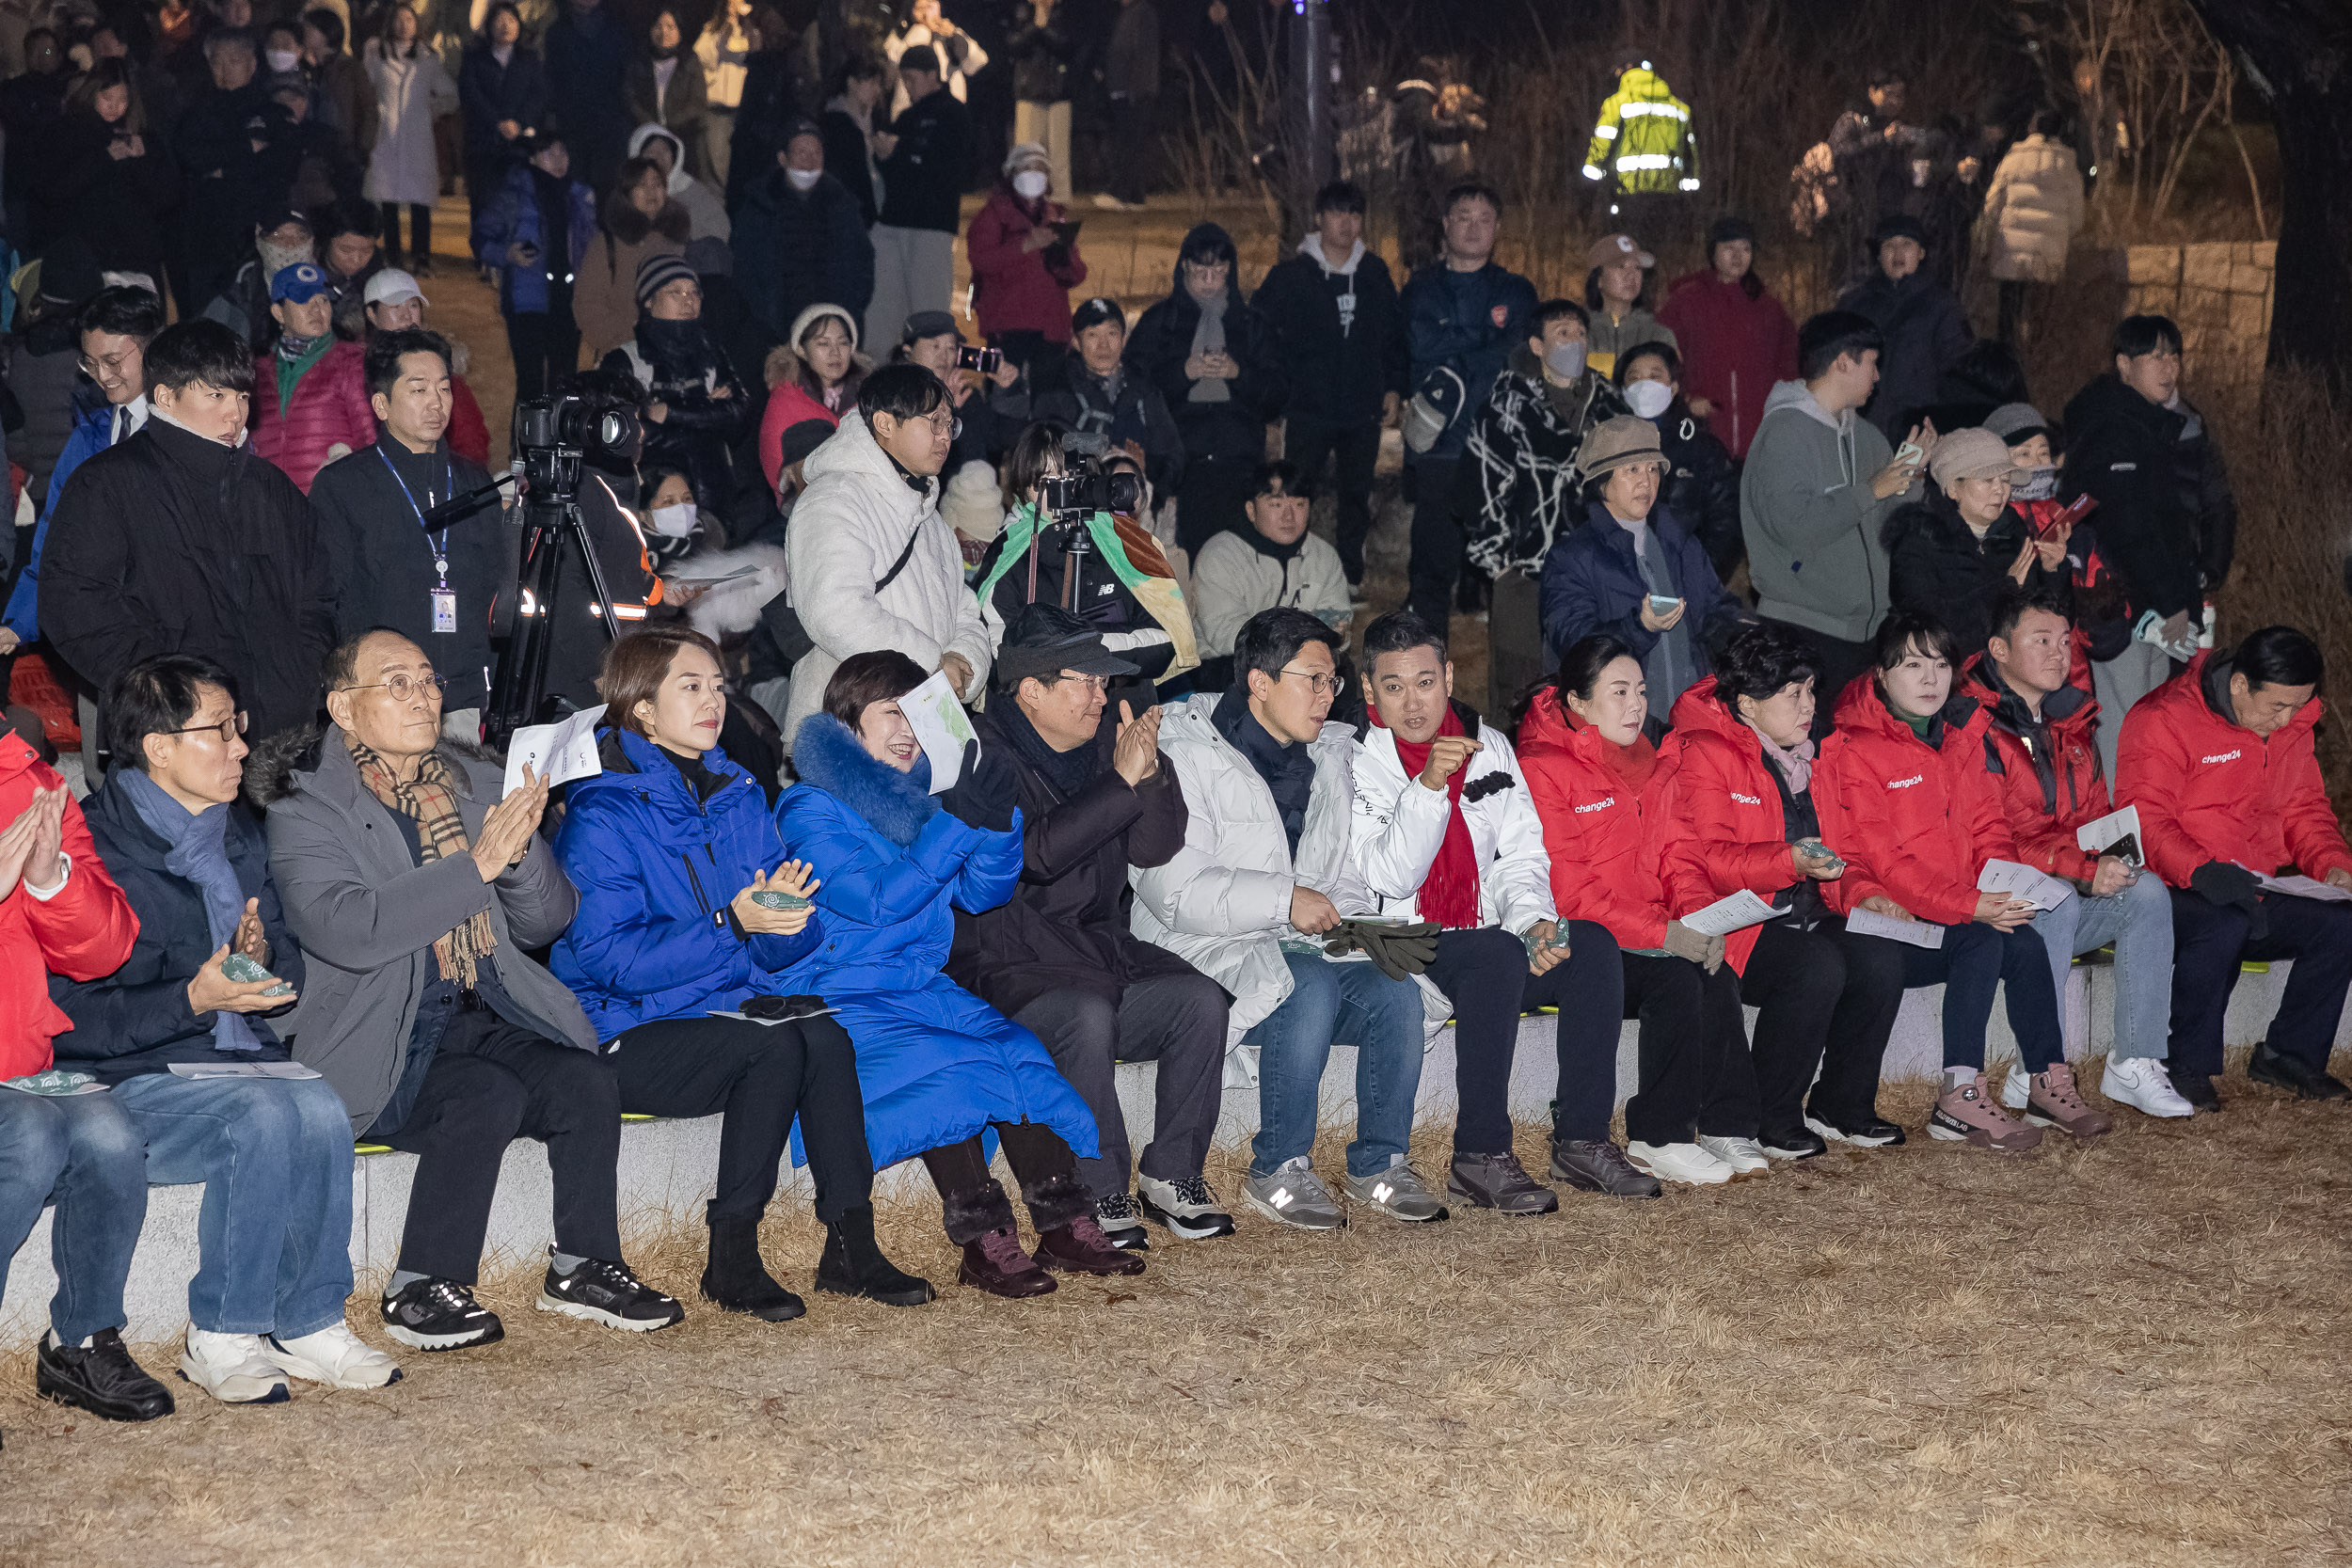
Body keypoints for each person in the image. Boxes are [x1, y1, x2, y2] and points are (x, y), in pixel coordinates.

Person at [257, 628, 683, 1350]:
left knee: (583, 1078)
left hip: (483, 1006)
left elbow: (551, 920)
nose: (423, 696)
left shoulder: (475, 782)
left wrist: (517, 856)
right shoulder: (304, 807)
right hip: (379, 1030)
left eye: (428, 680)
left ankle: (583, 1267)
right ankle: (419, 1286)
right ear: (343, 707)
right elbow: (350, 931)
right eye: (397, 683)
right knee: (485, 1094)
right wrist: (477, 865)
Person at [548, 626, 930, 1316]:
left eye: (718, 686)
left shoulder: (736, 791)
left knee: (823, 1031)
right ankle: (731, 1254)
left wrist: (787, 914)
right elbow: (611, 961)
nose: (712, 700)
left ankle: (851, 1245)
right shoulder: (603, 812)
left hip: (721, 1009)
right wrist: (732, 923)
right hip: (625, 1028)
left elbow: (781, 947)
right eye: (689, 686)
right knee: (776, 1042)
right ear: (640, 708)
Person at [56, 656, 401, 1402]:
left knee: (316, 1101)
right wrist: (193, 999)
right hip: (126, 1079)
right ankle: (220, 1332)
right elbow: (71, 1019)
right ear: (158, 748)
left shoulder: (237, 835)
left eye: (238, 726)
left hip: (229, 1060)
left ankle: (308, 1320)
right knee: (264, 1110)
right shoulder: (89, 848)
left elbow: (286, 967)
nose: (243, 746)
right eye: (221, 730)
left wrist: (259, 966)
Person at [781, 649, 1137, 1296]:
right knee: (946, 1064)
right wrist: (955, 821)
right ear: (847, 724)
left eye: (919, 714)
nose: (908, 730)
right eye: (891, 712)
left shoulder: (926, 800)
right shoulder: (811, 807)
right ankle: (983, 1237)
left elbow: (984, 891)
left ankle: (1062, 1220)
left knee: (1017, 1050)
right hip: (842, 993)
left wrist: (998, 822)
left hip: (918, 986)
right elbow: (879, 899)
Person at [1131, 606, 1440, 1227]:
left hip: (1287, 949)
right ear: (1261, 681)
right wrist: (1283, 900)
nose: (1328, 695)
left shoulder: (1328, 756)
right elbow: (1169, 889)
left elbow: (1337, 883)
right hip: (1192, 951)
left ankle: (1379, 1163)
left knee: (1394, 990)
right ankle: (1278, 1166)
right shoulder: (1185, 753)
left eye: (1334, 682)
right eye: (1313, 678)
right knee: (1308, 983)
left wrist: (1361, 930)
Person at [945, 606, 1232, 1245]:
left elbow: (1155, 847)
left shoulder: (1111, 742)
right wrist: (1122, 781)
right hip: (1011, 968)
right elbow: (1034, 857)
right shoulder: (978, 754)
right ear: (1030, 690)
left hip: (1100, 953)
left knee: (1200, 1001)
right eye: (1086, 680)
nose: (1103, 694)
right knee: (1085, 1014)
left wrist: (1150, 774)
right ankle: (1096, 1191)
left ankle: (1173, 1173)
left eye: (1106, 681)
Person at [1351, 611, 1654, 1206]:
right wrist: (1429, 789)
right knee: (1492, 956)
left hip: (1487, 940)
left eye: (1425, 682)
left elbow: (1520, 856)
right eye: (1393, 687)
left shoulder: (1488, 746)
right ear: (1368, 690)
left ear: (1449, 674)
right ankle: (1480, 1154)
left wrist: (1534, 921)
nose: (1413, 704)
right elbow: (1389, 874)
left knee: (1589, 943)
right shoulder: (1357, 758)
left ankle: (1583, 1140)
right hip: (1404, 941)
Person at [1810, 611, 2084, 1150]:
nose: (1931, 678)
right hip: (1887, 915)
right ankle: (1958, 1095)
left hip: (1951, 911)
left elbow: (1989, 828)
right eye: (1912, 665)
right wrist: (1972, 904)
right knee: (1983, 938)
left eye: (1940, 665)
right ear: (1882, 675)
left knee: (2023, 941)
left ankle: (2045, 1078)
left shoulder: (1961, 736)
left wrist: (2004, 884)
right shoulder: (1853, 748)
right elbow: (1886, 863)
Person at [1657, 624, 1912, 1151]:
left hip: (1804, 911)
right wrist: (1788, 861)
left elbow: (1842, 850)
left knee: (1881, 954)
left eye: (1812, 689)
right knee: (1814, 965)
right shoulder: (1704, 752)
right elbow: (1707, 860)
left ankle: (1841, 1103)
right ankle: (1771, 1115)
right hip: (1736, 921)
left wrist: (1866, 893)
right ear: (1748, 705)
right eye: (1793, 694)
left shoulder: (1810, 757)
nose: (1809, 705)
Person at [1517, 633, 1758, 1183]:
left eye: (1641, 691)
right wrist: (1667, 934)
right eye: (1618, 691)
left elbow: (1680, 859)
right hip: (1584, 942)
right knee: (1676, 977)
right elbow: (1570, 892)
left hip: (1646, 932)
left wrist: (1699, 919)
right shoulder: (1543, 767)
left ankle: (1726, 1125)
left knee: (1716, 971)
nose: (1635, 704)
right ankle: (1660, 1135)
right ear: (1577, 703)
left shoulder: (1653, 762)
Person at [41, 320, 332, 743]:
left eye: (242, 396)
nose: (234, 413)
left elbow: (319, 595)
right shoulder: (107, 483)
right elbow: (74, 603)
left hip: (280, 739)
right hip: (172, 736)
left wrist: (301, 678)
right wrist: (166, 692)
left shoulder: (271, 487)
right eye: (215, 395)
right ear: (165, 397)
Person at [0, 724, 173, 1431]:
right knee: (35, 1132)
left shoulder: (31, 778)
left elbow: (105, 949)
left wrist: (49, 880)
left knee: (105, 1123)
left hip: (20, 1062)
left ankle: (81, 1340)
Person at [1964, 586, 2192, 1118]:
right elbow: (1988, 839)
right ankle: (2039, 1067)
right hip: (1989, 897)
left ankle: (2134, 1061)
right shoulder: (1973, 726)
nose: (2058, 653)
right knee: (2058, 899)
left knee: (2147, 890)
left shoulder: (2072, 722)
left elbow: (2088, 820)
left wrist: (2110, 858)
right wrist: (2079, 869)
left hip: (2057, 882)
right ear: (1999, 649)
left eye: (2065, 641)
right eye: (2040, 640)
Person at [2117, 626, 2352, 1106]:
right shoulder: (2164, 718)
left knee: (2342, 922)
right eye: (2278, 707)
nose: (2287, 719)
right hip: (2172, 886)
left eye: (2298, 706)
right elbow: (2145, 818)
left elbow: (2305, 811)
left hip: (2254, 882)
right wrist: (2202, 870)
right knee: (2224, 919)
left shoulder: (2290, 725)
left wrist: (2333, 868)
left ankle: (2290, 1056)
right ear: (2241, 684)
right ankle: (2184, 1064)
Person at [1740, 309, 1931, 737]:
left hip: (1865, 634)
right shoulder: (1785, 432)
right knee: (1806, 759)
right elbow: (1795, 528)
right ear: (1843, 361)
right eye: (1872, 361)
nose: (1878, 376)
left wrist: (1912, 477)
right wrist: (1871, 490)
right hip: (1803, 629)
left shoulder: (1865, 435)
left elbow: (1888, 520)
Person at [2059, 314, 2236, 776]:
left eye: (2174, 355)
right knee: (2125, 729)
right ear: (2123, 364)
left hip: (2152, 607)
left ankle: (2141, 832)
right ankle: (2123, 839)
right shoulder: (2117, 430)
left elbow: (2189, 516)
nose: (2169, 367)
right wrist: (2173, 602)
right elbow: (2129, 531)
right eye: (2154, 356)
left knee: (2149, 729)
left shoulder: (2147, 425)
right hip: (2129, 611)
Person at [780, 364, 991, 744]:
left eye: (950, 424)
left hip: (928, 725)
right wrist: (932, 663)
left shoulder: (931, 519)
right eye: (933, 422)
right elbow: (835, 611)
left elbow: (964, 609)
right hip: (849, 730)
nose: (945, 436)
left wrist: (964, 663)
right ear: (885, 423)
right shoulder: (833, 499)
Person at [309, 328, 505, 734]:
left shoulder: (475, 482)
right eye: (418, 390)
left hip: (465, 697)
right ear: (381, 404)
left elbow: (495, 588)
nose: (436, 403)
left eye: (444, 389)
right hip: (386, 697)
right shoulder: (344, 486)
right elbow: (336, 600)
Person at [1460, 298, 1628, 714]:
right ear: (1537, 345)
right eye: (1562, 333)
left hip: (1596, 567)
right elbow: (1480, 485)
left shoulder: (1609, 405)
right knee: (1521, 683)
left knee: (1592, 676)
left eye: (1581, 333)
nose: (1575, 342)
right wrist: (1499, 562)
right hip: (1525, 573)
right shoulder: (1507, 406)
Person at [1251, 180, 1406, 591]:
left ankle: (1350, 575)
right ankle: (1288, 570)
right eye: (1337, 213)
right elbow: (1260, 332)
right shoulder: (1291, 276)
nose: (1346, 223)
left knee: (1356, 494)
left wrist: (1392, 387)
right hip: (1308, 408)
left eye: (1354, 214)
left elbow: (1393, 336)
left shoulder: (1374, 273)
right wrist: (1277, 390)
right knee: (1295, 491)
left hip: (1362, 409)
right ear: (1319, 219)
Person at [1399, 182, 1536, 627]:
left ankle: (1516, 680)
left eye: (1484, 219)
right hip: (1437, 444)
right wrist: (1484, 345)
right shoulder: (1421, 287)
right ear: (1445, 224)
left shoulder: (1515, 290)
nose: (1474, 228)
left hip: (1499, 444)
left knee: (1507, 569)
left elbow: (1517, 354)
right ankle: (1427, 676)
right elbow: (1419, 346)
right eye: (1463, 217)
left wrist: (1454, 352)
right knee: (1431, 569)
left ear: (1497, 228)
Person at [1540, 417, 1744, 714]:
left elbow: (1715, 608)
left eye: (1653, 469)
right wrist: (1640, 627)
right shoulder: (1572, 558)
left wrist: (1741, 631)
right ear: (1602, 481)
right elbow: (1574, 643)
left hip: (1690, 718)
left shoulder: (1680, 542)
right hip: (1620, 725)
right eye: (1631, 470)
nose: (1646, 481)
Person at [973, 423, 1198, 686]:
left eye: (1068, 477)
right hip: (1042, 716)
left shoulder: (1123, 541)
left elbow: (1164, 639)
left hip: (1122, 710)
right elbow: (1000, 657)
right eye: (1046, 481)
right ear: (1023, 489)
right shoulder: (1006, 555)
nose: (1061, 491)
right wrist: (1094, 648)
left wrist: (1071, 648)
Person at [8, 288, 165, 653]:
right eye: (90, 364)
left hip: (167, 635)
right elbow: (54, 537)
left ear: (153, 349)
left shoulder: (180, 431)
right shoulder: (87, 436)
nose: (102, 376)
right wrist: (20, 622)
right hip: (99, 635)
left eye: (113, 361)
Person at [1126, 223, 1285, 558]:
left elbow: (1278, 395)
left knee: (1241, 559)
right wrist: (1182, 373)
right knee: (1186, 561)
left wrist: (1237, 374)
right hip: (1181, 466)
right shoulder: (1161, 322)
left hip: (1240, 461)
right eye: (1201, 271)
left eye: (1218, 270)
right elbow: (1133, 391)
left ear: (1231, 270)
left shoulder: (1251, 324)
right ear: (1184, 266)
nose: (1210, 280)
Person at [1883, 427, 2067, 658]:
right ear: (1952, 488)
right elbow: (1934, 635)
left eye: (2006, 479)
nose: (2000, 490)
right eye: (1987, 479)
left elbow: (2050, 626)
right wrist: (2005, 590)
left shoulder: (2015, 536)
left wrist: (2051, 571)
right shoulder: (1918, 544)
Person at [599, 254, 752, 515]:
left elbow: (739, 414)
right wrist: (707, 414)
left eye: (694, 292)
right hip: (653, 506)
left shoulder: (713, 355)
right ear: (648, 300)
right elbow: (627, 434)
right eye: (676, 292)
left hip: (717, 502)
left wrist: (669, 412)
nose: (689, 300)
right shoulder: (624, 360)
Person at [171, 29, 298, 319]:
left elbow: (281, 167)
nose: (225, 69)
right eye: (217, 61)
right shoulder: (195, 113)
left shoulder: (272, 113)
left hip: (256, 235)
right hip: (207, 237)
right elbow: (190, 157)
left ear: (252, 65)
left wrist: (221, 168)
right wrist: (244, 149)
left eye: (234, 60)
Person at [1189, 462, 1351, 682]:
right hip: (1232, 665)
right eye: (1276, 504)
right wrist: (1294, 650)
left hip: (1306, 665)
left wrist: (1304, 654)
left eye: (1300, 504)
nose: (1289, 516)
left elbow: (1337, 622)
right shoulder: (1220, 555)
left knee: (1343, 672)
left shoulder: (1324, 556)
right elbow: (1227, 633)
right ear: (1251, 510)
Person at [1656, 215, 1799, 462]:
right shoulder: (1686, 302)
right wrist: (1685, 398)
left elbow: (1789, 364)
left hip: (1759, 438)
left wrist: (1784, 410)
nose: (1738, 256)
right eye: (1729, 248)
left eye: (1746, 248)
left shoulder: (1768, 307)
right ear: (1713, 252)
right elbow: (1660, 356)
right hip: (1703, 433)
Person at [470, 129, 595, 405]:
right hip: (527, 301)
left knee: (565, 383)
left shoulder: (580, 196)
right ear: (534, 158)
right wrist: (507, 254)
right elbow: (480, 238)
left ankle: (559, 445)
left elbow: (593, 245)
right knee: (531, 385)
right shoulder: (513, 194)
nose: (559, 159)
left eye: (563, 152)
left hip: (569, 301)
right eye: (550, 153)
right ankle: (527, 448)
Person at [34, 59, 179, 293]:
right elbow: (52, 189)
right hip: (88, 251)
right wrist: (104, 159)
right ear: (92, 94)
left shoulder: (143, 136)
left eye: (122, 100)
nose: (115, 107)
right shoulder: (67, 132)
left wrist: (143, 161)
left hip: (136, 253)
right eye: (107, 98)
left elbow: (168, 197)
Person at [864, 45, 972, 353]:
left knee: (928, 311)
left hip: (931, 226)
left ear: (931, 75)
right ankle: (879, 379)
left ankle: (931, 383)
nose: (907, 87)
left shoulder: (954, 113)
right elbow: (896, 174)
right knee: (884, 308)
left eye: (912, 79)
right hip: (894, 223)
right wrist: (887, 157)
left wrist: (900, 154)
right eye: (904, 80)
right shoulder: (907, 117)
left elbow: (949, 169)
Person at [733, 118, 874, 344]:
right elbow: (745, 268)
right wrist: (762, 320)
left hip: (832, 330)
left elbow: (861, 264)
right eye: (801, 152)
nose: (810, 161)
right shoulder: (759, 205)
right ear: (782, 158)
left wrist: (849, 313)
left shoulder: (843, 205)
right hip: (775, 330)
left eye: (816, 153)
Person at [1034, 296, 1185, 505]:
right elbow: (1042, 451)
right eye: (1092, 335)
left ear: (1124, 339)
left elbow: (1174, 458)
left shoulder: (1145, 392)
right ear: (1076, 342)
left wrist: (1144, 466)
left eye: (1112, 334)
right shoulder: (1057, 392)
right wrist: (1104, 450)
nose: (1103, 345)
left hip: (1136, 507)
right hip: (1077, 507)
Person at [1613, 341, 1741, 583]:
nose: (1644, 384)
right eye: (1634, 377)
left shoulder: (1702, 448)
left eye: (1655, 376)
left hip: (1685, 586)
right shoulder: (1605, 448)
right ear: (1622, 389)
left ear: (1673, 388)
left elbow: (1725, 525)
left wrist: (1698, 582)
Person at [1836, 214, 1971, 443]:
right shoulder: (1854, 304)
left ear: (1921, 253)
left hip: (1917, 433)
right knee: (1867, 479)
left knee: (1911, 478)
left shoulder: (1942, 306)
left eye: (1907, 244)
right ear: (1879, 255)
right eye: (1889, 245)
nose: (1898, 254)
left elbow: (1958, 375)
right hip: (1862, 430)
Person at [247, 262, 376, 494]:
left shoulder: (352, 363)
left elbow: (371, 441)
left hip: (331, 508)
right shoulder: (255, 372)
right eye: (304, 300)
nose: (317, 310)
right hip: (273, 511)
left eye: (323, 300)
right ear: (278, 312)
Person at [965, 141, 1087, 384]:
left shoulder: (1054, 215)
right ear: (1011, 174)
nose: (1033, 174)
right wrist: (1024, 246)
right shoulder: (992, 215)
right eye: (1026, 168)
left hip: (1052, 327)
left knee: (1050, 400)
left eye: (1039, 168)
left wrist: (1062, 255)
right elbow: (981, 260)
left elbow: (1077, 273)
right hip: (1007, 326)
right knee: (1007, 397)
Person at [361, 5, 455, 277]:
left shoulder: (428, 59)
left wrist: (429, 111)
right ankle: (393, 255)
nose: (404, 25)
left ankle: (421, 256)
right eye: (399, 20)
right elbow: (366, 91)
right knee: (388, 200)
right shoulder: (375, 54)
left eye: (409, 20)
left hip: (416, 137)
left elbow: (450, 95)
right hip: (385, 135)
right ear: (390, 24)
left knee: (419, 201)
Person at [359, 269, 489, 467]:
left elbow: (470, 437)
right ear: (372, 314)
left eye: (413, 305)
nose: (406, 316)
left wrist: (457, 476)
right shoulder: (352, 368)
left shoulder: (439, 366)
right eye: (395, 306)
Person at [1978, 110, 2084, 345]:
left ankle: (2005, 360)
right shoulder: (2067, 164)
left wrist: (1985, 242)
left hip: (2011, 253)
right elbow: (2077, 215)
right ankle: (2035, 361)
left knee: (2008, 313)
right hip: (2049, 253)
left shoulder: (2013, 158)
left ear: (2031, 129)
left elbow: (1992, 203)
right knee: (2041, 316)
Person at [575, 155, 691, 360]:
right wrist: (631, 338)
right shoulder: (607, 244)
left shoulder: (680, 242)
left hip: (677, 356)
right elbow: (587, 304)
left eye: (657, 184)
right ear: (626, 193)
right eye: (641, 185)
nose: (651, 191)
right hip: (622, 354)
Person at [756, 304, 866, 492]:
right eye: (823, 343)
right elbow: (776, 469)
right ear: (801, 349)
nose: (835, 352)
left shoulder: (867, 396)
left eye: (843, 342)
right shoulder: (785, 400)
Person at [1579, 48, 1699, 217]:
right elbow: (1690, 154)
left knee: (1629, 242)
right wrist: (1689, 190)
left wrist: (1590, 180)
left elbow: (1602, 144)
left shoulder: (1616, 104)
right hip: (1669, 197)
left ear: (1623, 70)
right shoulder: (1679, 108)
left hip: (1628, 194)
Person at [456, 2, 544, 230]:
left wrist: (519, 122)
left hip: (519, 140)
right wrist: (496, 122)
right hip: (483, 140)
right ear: (489, 25)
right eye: (499, 21)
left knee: (518, 196)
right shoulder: (474, 57)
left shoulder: (530, 59)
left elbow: (538, 95)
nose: (505, 26)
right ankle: (484, 251)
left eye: (511, 21)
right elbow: (470, 94)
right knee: (483, 197)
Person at [544, 0, 631, 192]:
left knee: (610, 191)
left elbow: (627, 76)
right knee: (575, 195)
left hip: (611, 126)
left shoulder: (618, 28)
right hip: (572, 125)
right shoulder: (556, 32)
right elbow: (551, 80)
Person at [1003, 0, 1074, 209]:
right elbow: (1013, 45)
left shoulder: (1066, 13)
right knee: (1026, 150)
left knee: (1058, 153)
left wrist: (1043, 30)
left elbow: (1068, 47)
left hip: (1059, 91)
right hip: (1029, 90)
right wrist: (1036, 27)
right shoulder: (1021, 11)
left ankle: (1059, 201)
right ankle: (1025, 198)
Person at [625, 9, 707, 182]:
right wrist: (651, 125)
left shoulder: (690, 61)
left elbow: (697, 102)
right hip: (645, 136)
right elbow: (630, 96)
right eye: (658, 26)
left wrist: (669, 125)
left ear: (680, 31)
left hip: (683, 137)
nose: (664, 32)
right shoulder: (639, 60)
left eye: (671, 27)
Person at [1581, 232, 1675, 382]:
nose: (1631, 275)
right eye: (1621, 266)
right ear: (1598, 279)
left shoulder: (1659, 336)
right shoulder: (1580, 334)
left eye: (1637, 268)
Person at [1099, 0, 1160, 212]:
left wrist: (1134, 88)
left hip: (1134, 91)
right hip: (1127, 89)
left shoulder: (1142, 13)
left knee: (1129, 143)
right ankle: (1135, 196)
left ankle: (1120, 193)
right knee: (1130, 142)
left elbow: (1142, 55)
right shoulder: (1129, 13)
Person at [627, 119, 729, 242]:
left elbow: (719, 232)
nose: (659, 157)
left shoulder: (694, 193)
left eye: (665, 150)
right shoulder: (626, 194)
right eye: (651, 151)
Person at [818, 54, 887, 230]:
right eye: (871, 83)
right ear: (851, 83)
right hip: (850, 218)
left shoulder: (876, 121)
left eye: (879, 84)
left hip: (879, 216)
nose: (877, 90)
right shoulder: (834, 125)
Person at [882, 0, 986, 113]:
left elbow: (977, 63)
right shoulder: (900, 34)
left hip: (949, 112)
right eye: (920, 8)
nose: (926, 13)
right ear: (912, 11)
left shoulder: (952, 32)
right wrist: (921, 31)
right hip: (910, 112)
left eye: (930, 6)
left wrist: (954, 36)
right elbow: (889, 77)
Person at [694, 0, 754, 190]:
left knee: (734, 169)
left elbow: (752, 57)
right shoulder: (711, 31)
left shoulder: (751, 32)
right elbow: (701, 57)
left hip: (742, 113)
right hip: (717, 110)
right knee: (716, 170)